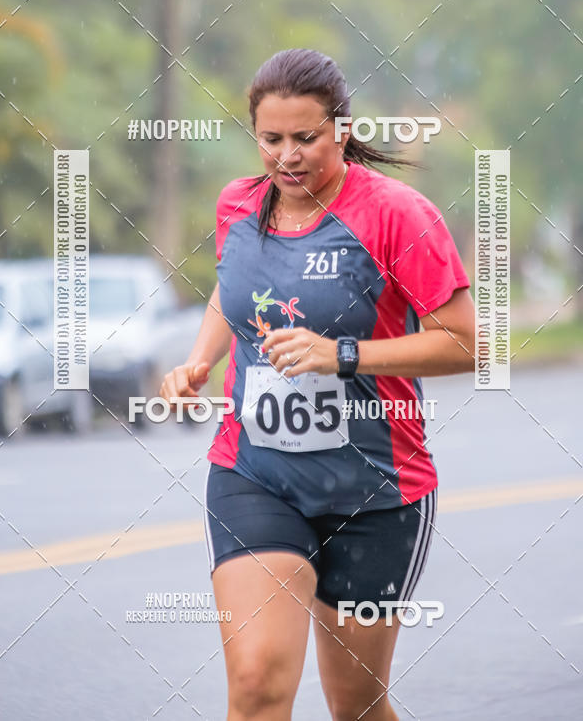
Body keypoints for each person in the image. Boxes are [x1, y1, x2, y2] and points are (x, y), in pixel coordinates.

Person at [160, 48, 475, 721]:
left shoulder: (397, 214)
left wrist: (343, 355)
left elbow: (466, 344)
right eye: (271, 139)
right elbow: (232, 288)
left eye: (305, 137)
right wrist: (200, 358)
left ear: (340, 128)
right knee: (255, 685)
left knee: (355, 706)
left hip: (375, 491)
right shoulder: (238, 206)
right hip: (256, 476)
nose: (287, 155)